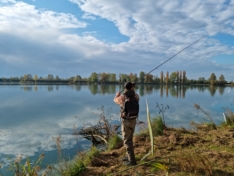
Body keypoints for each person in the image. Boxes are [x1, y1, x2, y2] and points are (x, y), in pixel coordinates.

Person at [113, 82, 140, 166]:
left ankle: (132, 161)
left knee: (126, 140)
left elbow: (115, 100)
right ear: (132, 87)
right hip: (134, 120)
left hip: (126, 121)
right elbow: (135, 96)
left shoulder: (122, 97)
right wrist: (132, 89)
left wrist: (117, 95)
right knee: (130, 138)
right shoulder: (136, 96)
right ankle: (128, 156)